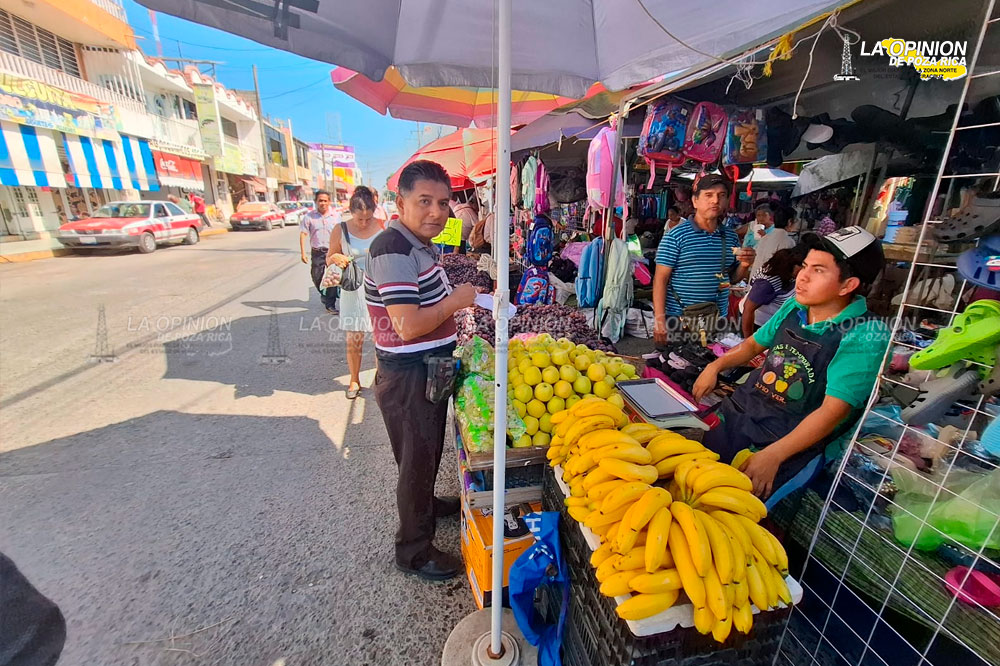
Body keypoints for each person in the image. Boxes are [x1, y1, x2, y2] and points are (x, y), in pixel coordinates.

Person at [692, 227, 890, 498]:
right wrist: (715, 367)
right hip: (745, 410)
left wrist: (774, 455)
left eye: (818, 270)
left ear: (848, 285)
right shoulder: (795, 308)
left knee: (727, 508)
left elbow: (833, 412)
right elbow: (752, 345)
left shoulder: (865, 335)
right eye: (805, 266)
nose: (802, 277)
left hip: (788, 441)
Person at [365, 160, 477, 581]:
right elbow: (407, 325)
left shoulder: (417, 242)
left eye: (443, 202)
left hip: (431, 365)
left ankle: (428, 504)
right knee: (415, 458)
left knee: (427, 448)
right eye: (424, 201)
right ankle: (413, 550)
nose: (436, 212)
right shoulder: (391, 248)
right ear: (401, 202)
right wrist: (459, 300)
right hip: (409, 372)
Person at [652, 174, 755, 345]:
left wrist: (745, 265)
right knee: (675, 365)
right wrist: (659, 321)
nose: (715, 200)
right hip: (679, 319)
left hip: (716, 319)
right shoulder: (675, 236)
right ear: (695, 201)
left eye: (721, 196)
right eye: (708, 195)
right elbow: (660, 280)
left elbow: (731, 279)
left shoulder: (730, 237)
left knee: (711, 365)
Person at [327, 186, 381, 399]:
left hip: (378, 289)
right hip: (353, 289)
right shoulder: (340, 229)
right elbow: (330, 256)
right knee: (354, 339)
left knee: (381, 339)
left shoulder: (383, 227)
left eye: (368, 218)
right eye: (360, 219)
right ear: (351, 212)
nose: (364, 223)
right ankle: (354, 379)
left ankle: (381, 380)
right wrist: (336, 258)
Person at [739, 246, 803, 339]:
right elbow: (748, 309)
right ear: (790, 267)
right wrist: (748, 340)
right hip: (756, 323)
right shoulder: (767, 284)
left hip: (770, 321)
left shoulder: (790, 276)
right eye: (803, 267)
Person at [300, 190, 341, 313]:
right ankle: (324, 294)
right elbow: (303, 234)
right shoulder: (309, 217)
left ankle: (330, 303)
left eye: (325, 200)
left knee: (332, 278)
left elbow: (341, 234)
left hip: (333, 251)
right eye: (320, 200)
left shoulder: (336, 216)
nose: (323, 203)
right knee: (317, 277)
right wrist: (302, 253)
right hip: (317, 252)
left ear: (329, 202)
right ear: (316, 202)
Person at [750, 205, 798, 275]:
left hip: (754, 281)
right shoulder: (788, 242)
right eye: (796, 221)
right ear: (790, 222)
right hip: (769, 283)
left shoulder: (764, 238)